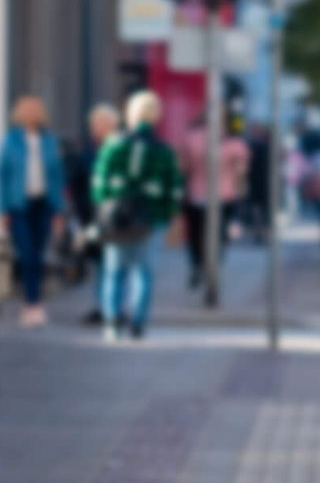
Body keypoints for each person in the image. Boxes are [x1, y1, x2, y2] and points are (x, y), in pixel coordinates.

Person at [92, 90, 182, 341]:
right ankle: (137, 323)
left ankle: (112, 322)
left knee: (114, 270)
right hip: (150, 218)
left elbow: (99, 182)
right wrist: (168, 215)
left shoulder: (114, 144)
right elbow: (173, 188)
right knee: (143, 271)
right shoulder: (163, 150)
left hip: (116, 218)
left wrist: (105, 206)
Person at [0, 94, 67, 327]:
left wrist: (58, 209)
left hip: (43, 204)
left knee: (38, 255)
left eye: (35, 110)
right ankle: (30, 302)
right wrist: (2, 208)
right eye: (27, 110)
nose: (31, 115)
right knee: (26, 254)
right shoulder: (11, 141)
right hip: (19, 205)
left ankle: (35, 303)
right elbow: (2, 176)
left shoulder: (48, 140)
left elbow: (57, 176)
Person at [178, 115, 251, 287]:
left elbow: (183, 167)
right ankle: (215, 264)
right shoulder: (234, 143)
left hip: (196, 193)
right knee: (221, 235)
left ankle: (197, 264)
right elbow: (241, 171)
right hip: (224, 195)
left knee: (196, 234)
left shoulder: (192, 138)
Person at [69, 103, 122, 324]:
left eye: (101, 124)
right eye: (95, 125)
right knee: (100, 264)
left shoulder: (120, 149)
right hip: (91, 215)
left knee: (116, 263)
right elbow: (77, 183)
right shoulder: (87, 152)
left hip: (117, 216)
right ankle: (105, 307)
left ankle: (114, 308)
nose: (97, 128)